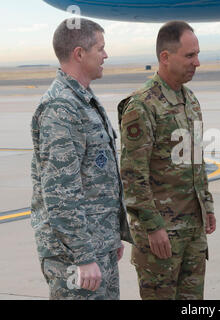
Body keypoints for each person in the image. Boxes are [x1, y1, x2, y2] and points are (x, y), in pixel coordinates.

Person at [30, 19, 133, 300]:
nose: (105, 55)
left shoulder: (82, 99)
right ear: (79, 54)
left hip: (98, 245)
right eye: (100, 48)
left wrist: (111, 237)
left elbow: (95, 176)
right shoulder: (61, 108)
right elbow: (61, 192)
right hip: (75, 258)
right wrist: (84, 255)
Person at [118, 20, 216, 300]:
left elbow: (196, 160)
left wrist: (206, 205)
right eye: (189, 55)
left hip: (192, 230)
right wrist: (153, 226)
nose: (197, 62)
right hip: (161, 235)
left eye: (197, 54)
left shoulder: (190, 100)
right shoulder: (142, 105)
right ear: (165, 57)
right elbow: (133, 174)